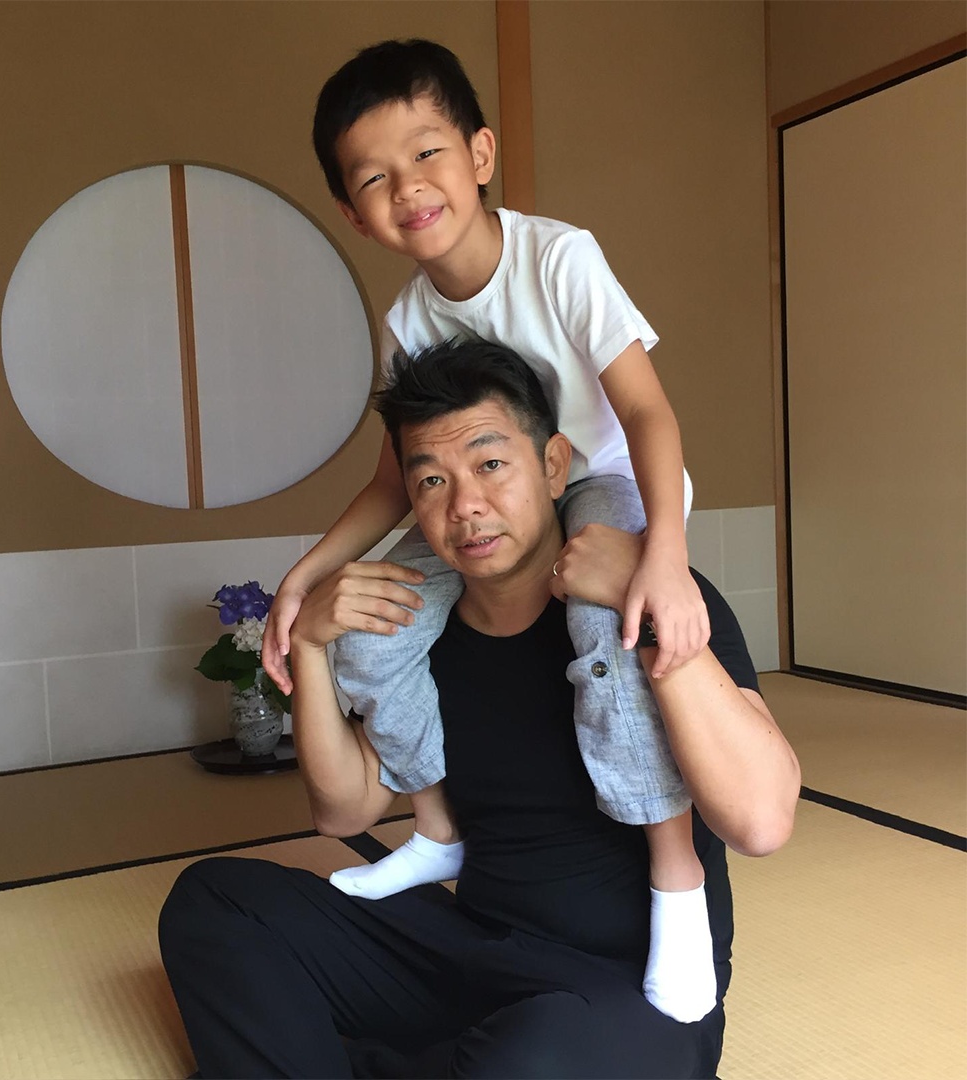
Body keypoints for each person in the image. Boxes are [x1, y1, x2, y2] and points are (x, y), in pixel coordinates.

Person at [161, 341, 800, 1079]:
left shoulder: (667, 596)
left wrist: (644, 604)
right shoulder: (422, 634)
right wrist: (307, 646)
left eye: (491, 464)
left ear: (553, 465)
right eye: (432, 480)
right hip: (473, 950)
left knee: (537, 1058)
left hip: (627, 993)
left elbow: (761, 820)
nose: (464, 505)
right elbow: (343, 812)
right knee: (217, 902)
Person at [263, 38, 712, 1021]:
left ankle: (674, 871)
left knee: (605, 637)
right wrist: (307, 578)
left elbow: (647, 412)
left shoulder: (559, 257)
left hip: (598, 481)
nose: (408, 188)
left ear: (480, 152)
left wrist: (667, 559)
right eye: (374, 178)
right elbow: (396, 480)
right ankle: (436, 827)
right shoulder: (407, 321)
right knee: (373, 628)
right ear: (353, 212)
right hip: (488, 502)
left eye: (427, 153)